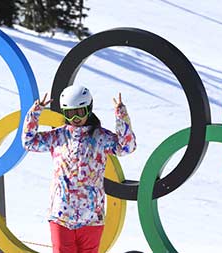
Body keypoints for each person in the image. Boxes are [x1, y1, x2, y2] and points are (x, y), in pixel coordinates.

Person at [21, 85, 136, 253]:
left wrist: (121, 116)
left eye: (80, 112)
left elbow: (127, 147)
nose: (75, 118)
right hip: (61, 216)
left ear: (89, 109)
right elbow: (29, 142)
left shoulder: (100, 137)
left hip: (91, 218)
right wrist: (35, 113)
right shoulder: (58, 136)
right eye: (69, 113)